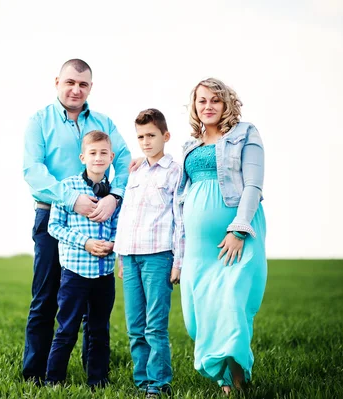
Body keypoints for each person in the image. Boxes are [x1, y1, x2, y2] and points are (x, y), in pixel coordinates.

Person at [22, 59, 131, 384]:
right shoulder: (39, 121)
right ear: (57, 82)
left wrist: (115, 196)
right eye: (70, 82)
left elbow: (124, 160)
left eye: (83, 84)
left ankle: (93, 376)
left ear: (90, 87)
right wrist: (72, 199)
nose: (75, 89)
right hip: (52, 214)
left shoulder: (103, 122)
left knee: (92, 303)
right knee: (45, 298)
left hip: (99, 217)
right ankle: (35, 375)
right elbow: (33, 170)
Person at [176, 78, 267, 395]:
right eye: (201, 101)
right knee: (197, 313)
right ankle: (222, 376)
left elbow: (254, 185)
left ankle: (237, 383)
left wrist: (239, 229)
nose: (208, 106)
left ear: (227, 103)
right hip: (198, 246)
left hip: (238, 233)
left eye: (215, 100)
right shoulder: (190, 145)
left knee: (230, 304)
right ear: (195, 106)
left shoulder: (245, 134)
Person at [114, 108, 182, 397]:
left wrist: (178, 261)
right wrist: (120, 255)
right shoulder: (135, 170)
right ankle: (141, 381)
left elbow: (181, 218)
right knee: (135, 326)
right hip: (129, 256)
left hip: (158, 256)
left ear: (165, 136)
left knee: (155, 327)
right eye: (140, 136)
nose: (145, 141)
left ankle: (158, 383)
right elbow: (126, 215)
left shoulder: (176, 171)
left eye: (151, 135)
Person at [45, 130, 119, 388]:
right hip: (75, 272)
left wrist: (113, 244)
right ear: (83, 157)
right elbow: (54, 227)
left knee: (99, 330)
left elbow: (121, 227)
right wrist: (85, 242)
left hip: (104, 273)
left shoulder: (115, 194)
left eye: (103, 153)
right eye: (92, 153)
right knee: (66, 329)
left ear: (111, 157)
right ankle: (54, 380)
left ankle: (98, 381)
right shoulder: (67, 188)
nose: (98, 158)